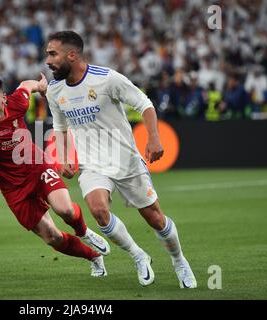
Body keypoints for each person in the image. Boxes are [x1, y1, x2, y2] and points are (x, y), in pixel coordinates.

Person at [45, 31, 197, 288]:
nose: (48, 60)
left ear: (72, 55)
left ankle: (179, 260)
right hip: (92, 163)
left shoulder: (107, 79)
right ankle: (138, 255)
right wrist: (64, 156)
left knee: (155, 219)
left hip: (124, 159)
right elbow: (59, 127)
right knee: (98, 210)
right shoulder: (54, 89)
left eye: (52, 54)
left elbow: (144, 104)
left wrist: (154, 138)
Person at [0, 74, 110, 277]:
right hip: (13, 189)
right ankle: (94, 257)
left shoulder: (17, 103)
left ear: (4, 98)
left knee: (65, 210)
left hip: (36, 168)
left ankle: (84, 232)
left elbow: (25, 85)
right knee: (52, 237)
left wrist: (40, 85)